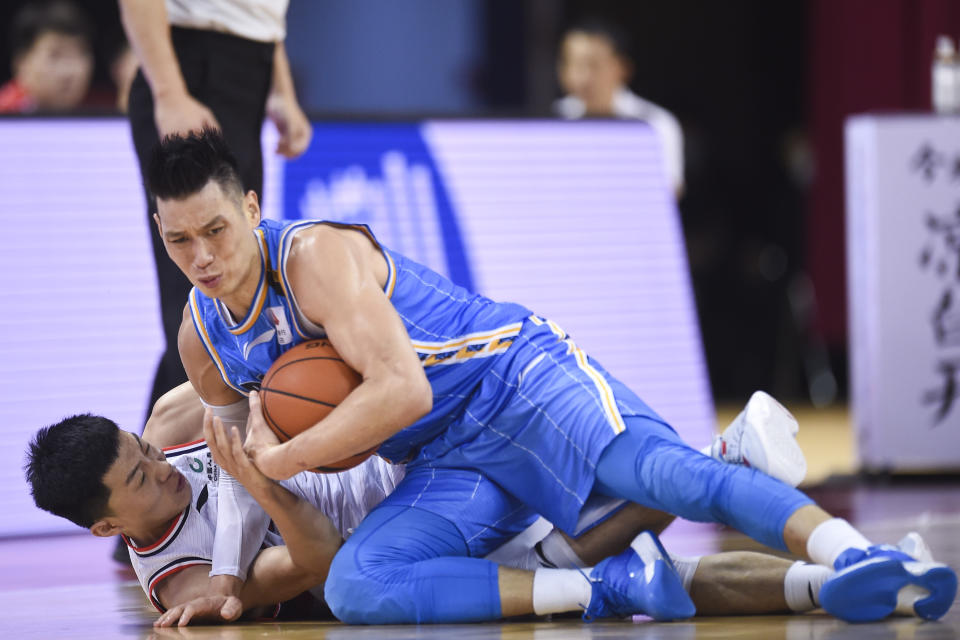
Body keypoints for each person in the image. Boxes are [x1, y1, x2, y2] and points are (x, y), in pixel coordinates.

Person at [150, 128, 956, 625]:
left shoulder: (313, 256)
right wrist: (226, 578)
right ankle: (607, 590)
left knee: (666, 476)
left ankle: (855, 557)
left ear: (253, 208)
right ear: (161, 232)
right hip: (439, 457)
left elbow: (403, 391)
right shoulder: (201, 334)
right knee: (359, 586)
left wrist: (286, 457)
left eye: (217, 230)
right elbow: (233, 476)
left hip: (516, 377)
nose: (204, 257)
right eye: (180, 241)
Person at [27, 384, 879, 627]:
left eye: (145, 454)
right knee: (595, 546)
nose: (161, 470)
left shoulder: (173, 426)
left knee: (578, 546)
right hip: (397, 535)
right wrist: (259, 485)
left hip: (399, 453)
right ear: (107, 526)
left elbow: (256, 378)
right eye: (140, 482)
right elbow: (320, 565)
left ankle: (720, 467)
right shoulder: (182, 588)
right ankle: (815, 573)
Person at [116, 0, 313, 578]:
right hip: (188, 61)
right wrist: (169, 90)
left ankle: (154, 495)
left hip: (243, 67)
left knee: (229, 299)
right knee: (204, 309)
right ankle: (153, 512)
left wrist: (279, 90)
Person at [554, 19, 684, 196]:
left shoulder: (653, 124)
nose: (583, 77)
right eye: (574, 64)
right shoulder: (553, 121)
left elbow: (669, 192)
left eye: (594, 65)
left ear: (622, 68)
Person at [0, 0, 94, 114]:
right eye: (55, 56)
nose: (68, 71)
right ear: (21, 64)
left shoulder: (101, 120)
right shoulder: (6, 115)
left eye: (79, 54)